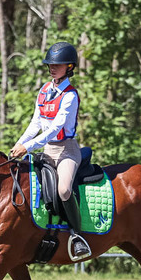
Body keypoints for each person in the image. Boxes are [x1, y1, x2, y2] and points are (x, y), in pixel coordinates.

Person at [9, 41, 91, 261]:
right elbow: (36, 122)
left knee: (64, 189)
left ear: (70, 67)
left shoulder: (70, 96)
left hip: (67, 151)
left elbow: (56, 128)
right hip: (46, 149)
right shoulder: (45, 90)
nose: (52, 68)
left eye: (58, 64)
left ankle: (77, 236)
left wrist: (29, 146)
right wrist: (19, 143)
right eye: (50, 64)